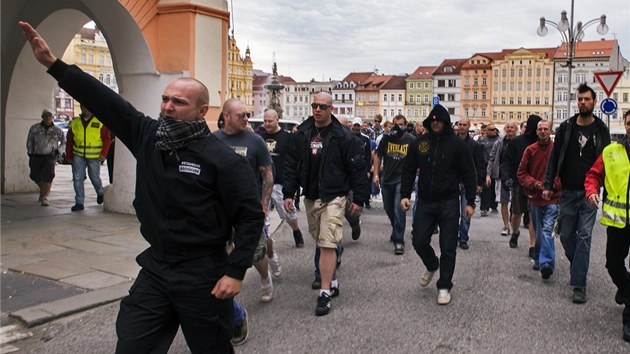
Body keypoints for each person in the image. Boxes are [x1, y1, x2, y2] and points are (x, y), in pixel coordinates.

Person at [20, 21, 264, 353]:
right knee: (133, 344)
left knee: (212, 348)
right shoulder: (149, 136)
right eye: (165, 99)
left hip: (202, 272)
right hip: (157, 267)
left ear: (201, 111)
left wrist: (235, 272)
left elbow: (249, 218)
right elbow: (107, 102)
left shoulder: (223, 160)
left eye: (177, 102)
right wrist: (55, 65)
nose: (166, 106)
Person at [283, 92, 369, 316]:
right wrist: (289, 193)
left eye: (322, 106)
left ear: (331, 109)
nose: (317, 109)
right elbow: (292, 165)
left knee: (328, 241)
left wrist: (358, 199)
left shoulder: (343, 136)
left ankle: (323, 293)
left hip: (334, 195)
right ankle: (332, 280)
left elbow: (357, 169)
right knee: (320, 241)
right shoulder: (302, 133)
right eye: (314, 105)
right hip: (311, 196)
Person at [400, 104, 476, 305]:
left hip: (449, 201)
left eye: (439, 120)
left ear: (445, 122)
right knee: (418, 240)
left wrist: (470, 202)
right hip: (425, 200)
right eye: (432, 120)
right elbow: (408, 169)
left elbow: (469, 173)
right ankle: (432, 264)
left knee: (448, 246)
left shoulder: (458, 145)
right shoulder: (420, 143)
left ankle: (444, 286)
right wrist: (405, 194)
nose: (435, 123)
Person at [543, 83, 611, 304]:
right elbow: (554, 159)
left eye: (587, 99)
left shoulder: (601, 129)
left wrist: (607, 190)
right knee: (565, 235)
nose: (583, 102)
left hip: (590, 192)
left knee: (584, 236)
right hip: (568, 191)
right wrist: (548, 184)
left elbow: (607, 162)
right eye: (580, 99)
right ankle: (578, 266)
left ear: (594, 102)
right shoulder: (566, 128)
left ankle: (579, 284)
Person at [585, 109, 630, 341]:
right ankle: (626, 287)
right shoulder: (612, 151)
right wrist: (591, 191)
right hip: (618, 222)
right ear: (625, 124)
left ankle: (629, 319)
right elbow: (593, 175)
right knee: (613, 264)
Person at [517, 120, 560, 278]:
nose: (543, 131)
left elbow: (561, 173)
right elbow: (521, 173)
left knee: (547, 230)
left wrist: (551, 186)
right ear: (536, 132)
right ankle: (538, 257)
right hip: (534, 198)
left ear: (550, 131)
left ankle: (546, 263)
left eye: (545, 129)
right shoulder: (530, 150)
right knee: (539, 230)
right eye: (540, 129)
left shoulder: (556, 149)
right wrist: (535, 184)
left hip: (552, 198)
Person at [258, 108, 305, 248]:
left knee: (287, 212)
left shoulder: (288, 137)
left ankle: (296, 230)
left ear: (277, 119)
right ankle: (264, 239)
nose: (267, 124)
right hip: (263, 182)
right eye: (265, 121)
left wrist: (294, 185)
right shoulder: (259, 137)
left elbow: (294, 161)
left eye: (270, 121)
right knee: (262, 211)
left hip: (281, 181)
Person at [373, 114, 415, 255]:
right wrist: (376, 175)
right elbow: (378, 156)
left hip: (402, 180)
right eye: (396, 124)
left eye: (401, 124)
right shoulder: (387, 138)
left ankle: (399, 241)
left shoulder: (410, 140)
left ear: (406, 124)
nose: (398, 127)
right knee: (389, 209)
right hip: (387, 179)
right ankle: (395, 227)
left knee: (399, 210)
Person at [502, 114, 541, 256]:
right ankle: (515, 232)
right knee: (517, 212)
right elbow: (506, 161)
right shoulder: (516, 143)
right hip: (519, 181)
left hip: (534, 184)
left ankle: (532, 244)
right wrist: (506, 177)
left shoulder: (540, 143)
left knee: (532, 214)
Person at [66, 104, 111, 211]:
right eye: (83, 107)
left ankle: (100, 192)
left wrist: (104, 154)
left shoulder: (99, 122)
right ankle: (79, 202)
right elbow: (70, 140)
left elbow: (106, 139)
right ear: (81, 108)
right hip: (78, 155)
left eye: (88, 107)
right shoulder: (75, 122)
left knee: (94, 177)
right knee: (77, 178)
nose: (85, 110)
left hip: (94, 156)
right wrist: (69, 155)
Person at [26, 108, 65, 206]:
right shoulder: (34, 128)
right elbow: (30, 141)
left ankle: (45, 197)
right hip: (36, 154)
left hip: (50, 156)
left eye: (50, 116)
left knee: (48, 175)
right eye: (46, 116)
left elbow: (64, 142)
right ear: (42, 117)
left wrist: (58, 151)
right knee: (34, 175)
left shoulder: (57, 130)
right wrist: (30, 152)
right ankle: (43, 191)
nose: (48, 118)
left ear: (53, 117)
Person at [456, 118, 484, 250]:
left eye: (464, 125)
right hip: (453, 182)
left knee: (466, 212)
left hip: (468, 183)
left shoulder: (474, 145)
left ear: (468, 127)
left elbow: (479, 165)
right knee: (452, 212)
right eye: (460, 125)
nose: (461, 127)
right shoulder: (451, 142)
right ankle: (453, 235)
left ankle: (463, 238)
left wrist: (479, 182)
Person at [488, 121, 517, 236]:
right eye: (508, 127)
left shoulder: (519, 142)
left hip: (516, 176)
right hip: (501, 176)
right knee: (504, 202)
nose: (510, 129)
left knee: (516, 203)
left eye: (512, 127)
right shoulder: (499, 143)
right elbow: (492, 158)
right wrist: (488, 174)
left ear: (515, 129)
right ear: (505, 129)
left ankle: (513, 223)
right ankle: (506, 226)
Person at [478, 123, 500, 216]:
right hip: (485, 165)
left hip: (496, 166)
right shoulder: (483, 141)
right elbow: (479, 153)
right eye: (491, 129)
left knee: (494, 187)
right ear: (487, 131)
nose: (494, 131)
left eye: (495, 129)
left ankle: (494, 206)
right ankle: (484, 208)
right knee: (486, 187)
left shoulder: (499, 140)